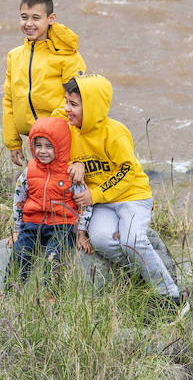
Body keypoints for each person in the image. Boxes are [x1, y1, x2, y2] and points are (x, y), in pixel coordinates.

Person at [58, 74, 181, 304]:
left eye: (73, 104)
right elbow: (53, 147)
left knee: (132, 240)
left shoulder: (115, 132)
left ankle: (171, 296)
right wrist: (74, 164)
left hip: (132, 197)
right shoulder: (68, 130)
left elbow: (127, 172)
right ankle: (144, 275)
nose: (66, 109)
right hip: (102, 205)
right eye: (66, 102)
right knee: (102, 241)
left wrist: (94, 194)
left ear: (92, 107)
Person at [2, 0, 86, 169]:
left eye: (36, 18)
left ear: (51, 19)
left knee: (65, 182)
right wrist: (13, 142)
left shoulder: (67, 56)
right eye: (24, 17)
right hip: (37, 142)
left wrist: (47, 129)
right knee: (39, 181)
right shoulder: (14, 56)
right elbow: (9, 100)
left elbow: (77, 99)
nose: (29, 23)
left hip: (62, 137)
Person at [5, 116, 83, 287]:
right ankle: (11, 290)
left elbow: (84, 204)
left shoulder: (70, 173)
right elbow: (19, 199)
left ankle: (50, 294)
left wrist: (82, 233)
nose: (42, 151)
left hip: (62, 226)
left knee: (54, 257)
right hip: (32, 224)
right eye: (38, 145)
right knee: (20, 253)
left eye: (49, 146)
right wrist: (17, 229)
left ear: (61, 147)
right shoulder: (29, 171)